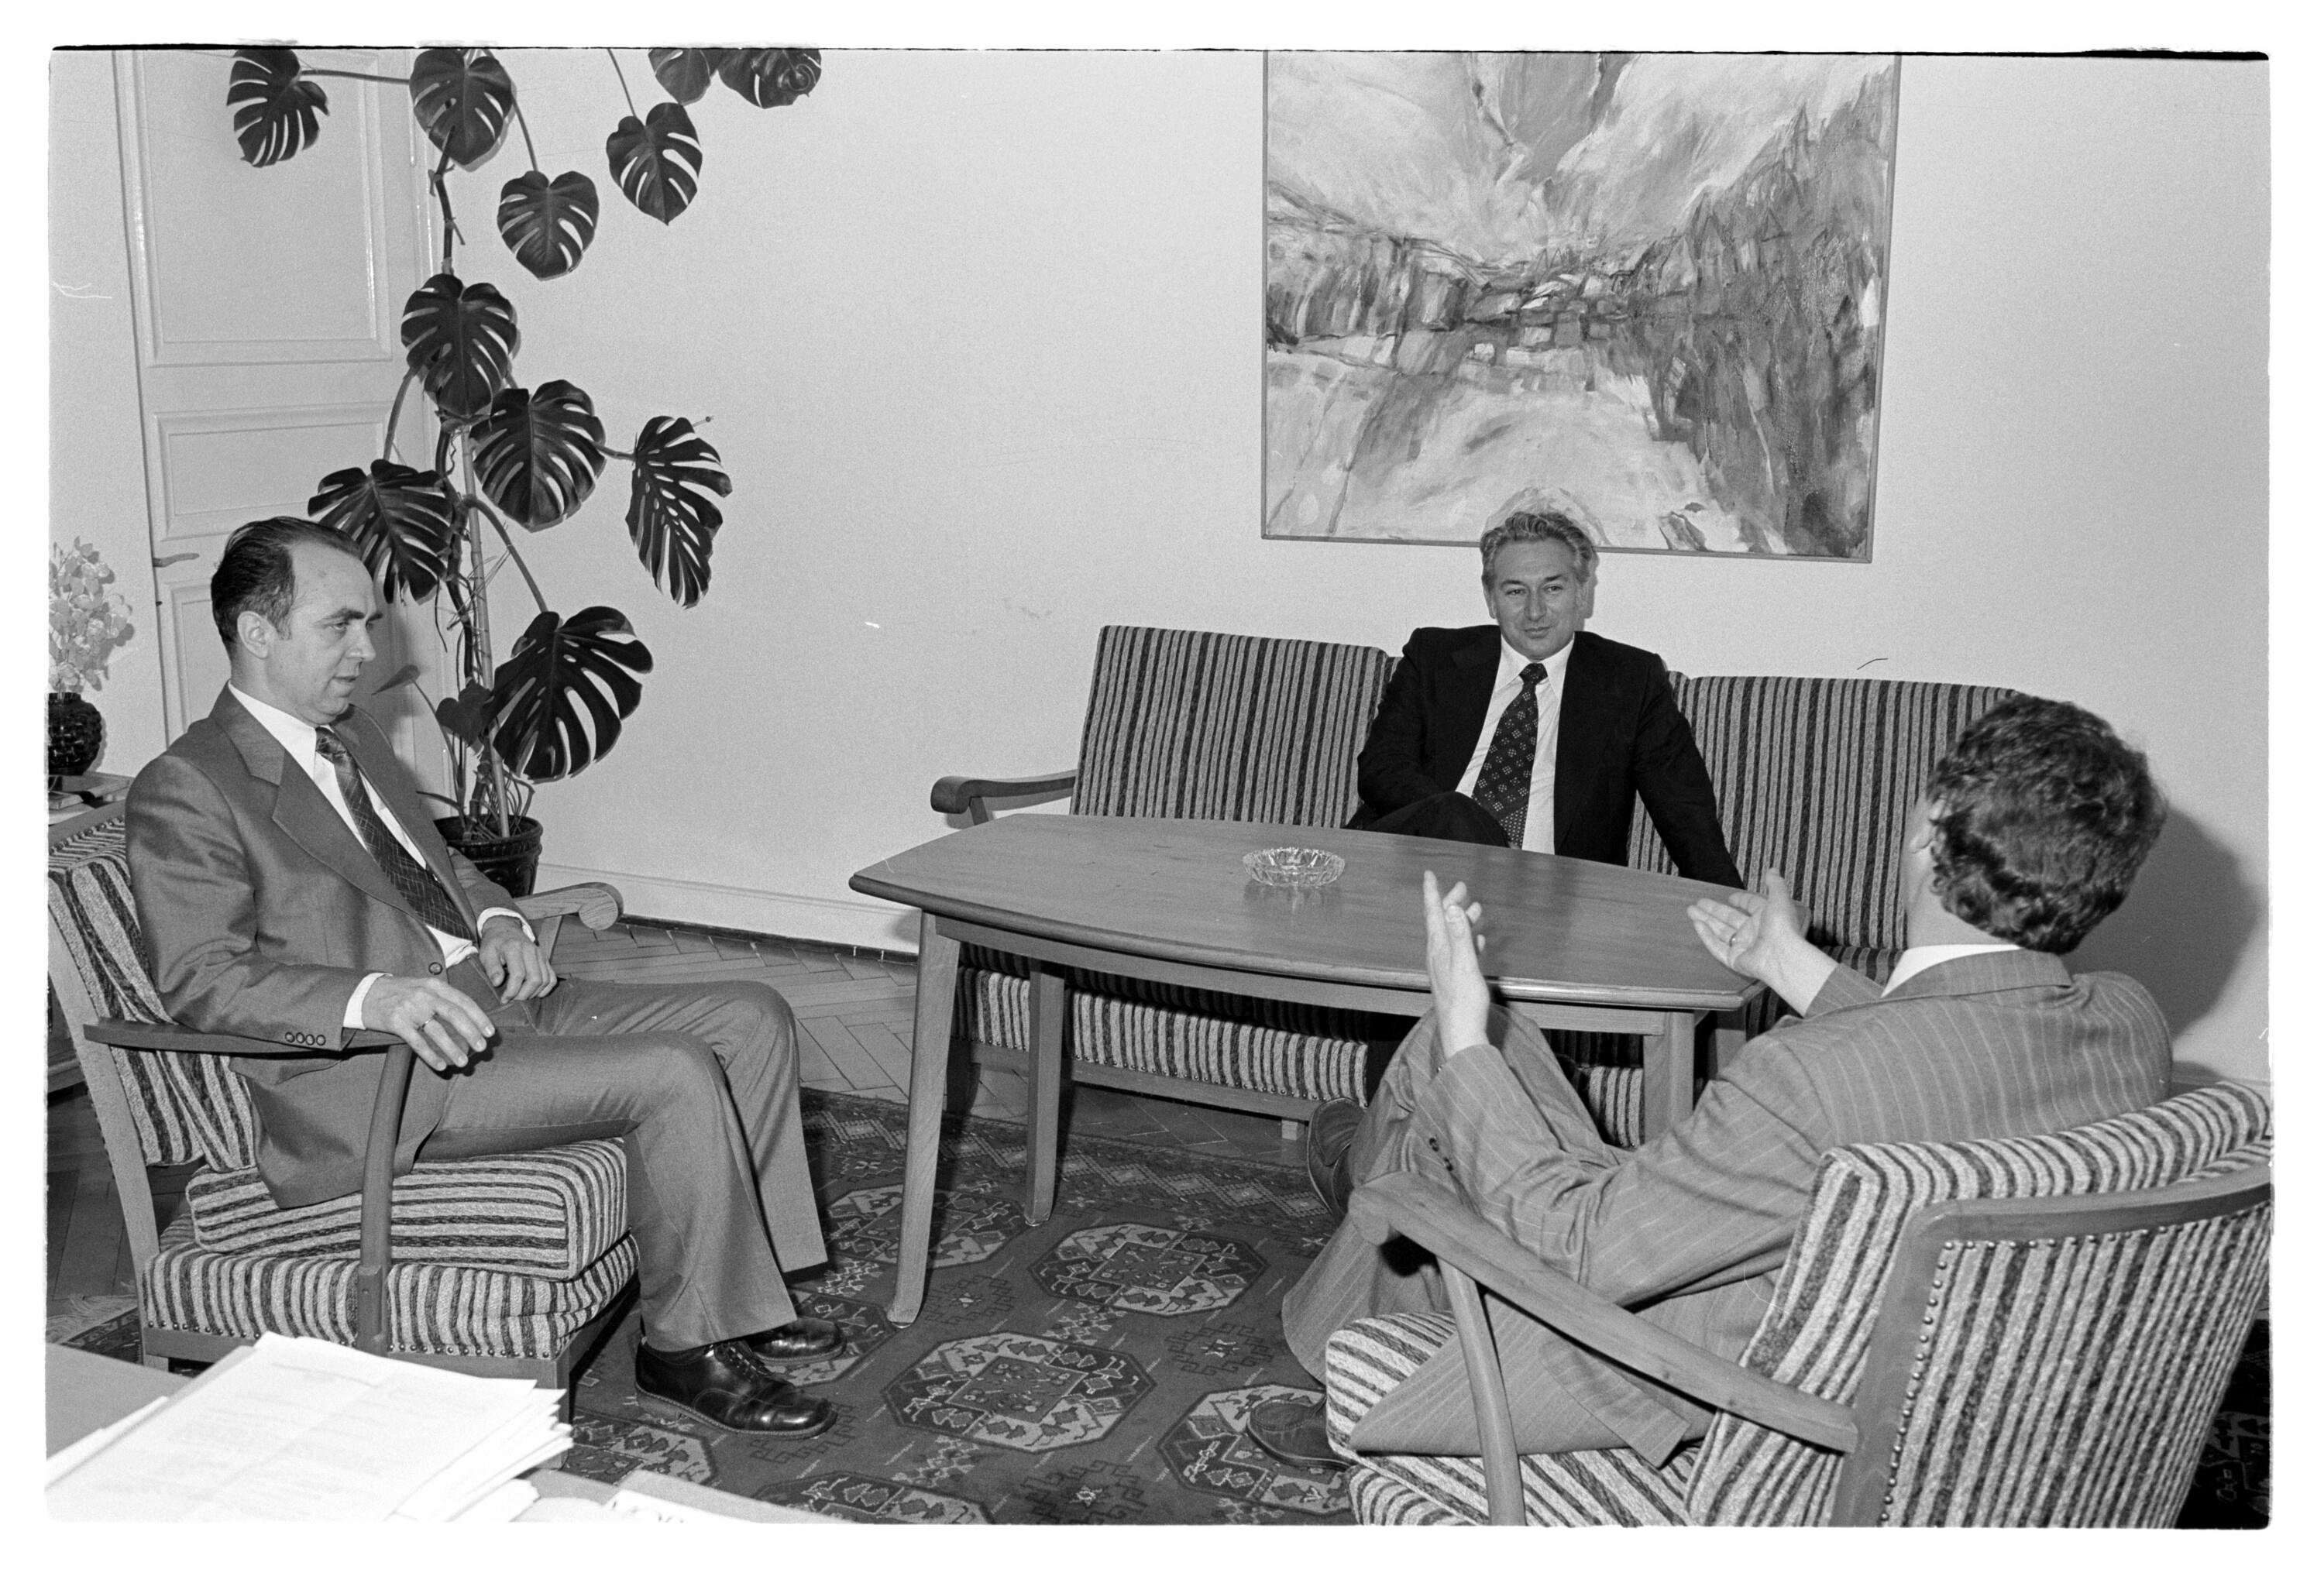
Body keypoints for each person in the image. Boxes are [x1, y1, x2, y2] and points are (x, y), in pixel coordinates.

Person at [1249, 695, 2171, 1470]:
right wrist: (1791, 965)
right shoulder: (2126, 1024)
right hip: (1852, 1326)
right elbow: (1941, 1058)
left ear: (1930, 836)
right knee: (1496, 1042)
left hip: (1659, 1368)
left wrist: (1461, 1029)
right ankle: (1369, 1181)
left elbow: (1574, 1246)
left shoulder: (1804, 1082)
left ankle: (1357, 1348)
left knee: (1448, 1062)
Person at [127, 517, 841, 1439]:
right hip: (385, 1072)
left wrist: (500, 918)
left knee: (752, 1014)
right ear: (257, 632)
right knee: (673, 1069)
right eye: (340, 626)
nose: (367, 649)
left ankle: (747, 1295)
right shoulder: (190, 784)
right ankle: (684, 1346)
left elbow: (439, 864)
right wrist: (372, 998)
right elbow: (202, 978)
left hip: (495, 1003)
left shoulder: (348, 736)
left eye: (370, 622)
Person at [1351, 509, 1741, 890]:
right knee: (1454, 812)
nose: (1535, 611)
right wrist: (1465, 824)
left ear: (1582, 594)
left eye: (1553, 588)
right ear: (1491, 599)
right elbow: (1381, 768)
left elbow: (1685, 813)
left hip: (1547, 897)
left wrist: (1736, 907)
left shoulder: (1630, 680)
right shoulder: (1435, 657)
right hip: (1411, 867)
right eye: (1516, 591)